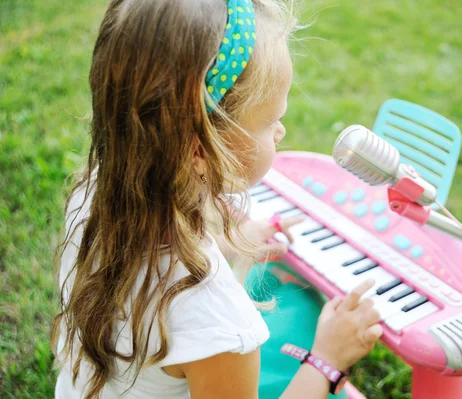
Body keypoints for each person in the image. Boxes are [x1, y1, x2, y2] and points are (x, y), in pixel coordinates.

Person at [51, 0, 382, 398]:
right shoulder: (217, 316)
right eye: (271, 120)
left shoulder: (93, 192)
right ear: (199, 149)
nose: (281, 132)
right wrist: (328, 358)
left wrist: (227, 242)